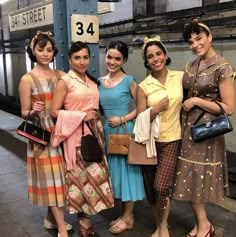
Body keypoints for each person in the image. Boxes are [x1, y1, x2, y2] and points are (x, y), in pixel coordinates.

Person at [172, 19, 235, 237]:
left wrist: (197, 102)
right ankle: (203, 224)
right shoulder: (191, 66)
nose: (195, 44)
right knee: (188, 177)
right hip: (188, 128)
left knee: (197, 177)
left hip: (207, 130)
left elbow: (228, 107)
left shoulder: (223, 67)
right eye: (191, 41)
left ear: (209, 37)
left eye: (199, 38)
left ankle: (204, 226)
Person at [50, 41, 114, 237]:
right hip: (76, 138)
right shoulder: (65, 81)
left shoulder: (92, 81)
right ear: (69, 59)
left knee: (94, 180)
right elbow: (54, 111)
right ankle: (85, 224)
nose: (82, 61)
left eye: (85, 57)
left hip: (94, 135)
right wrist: (81, 115)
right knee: (81, 181)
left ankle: (87, 221)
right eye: (77, 58)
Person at [18, 31, 71, 237]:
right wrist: (33, 110)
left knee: (61, 179)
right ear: (33, 51)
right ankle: (60, 228)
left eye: (49, 50)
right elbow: (23, 113)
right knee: (52, 180)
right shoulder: (27, 79)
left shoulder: (60, 75)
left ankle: (50, 219)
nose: (45, 53)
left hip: (61, 132)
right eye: (41, 50)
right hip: (42, 135)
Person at [136, 36, 184, 237]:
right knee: (153, 189)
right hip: (150, 144)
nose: (155, 59)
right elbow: (140, 118)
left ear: (165, 54)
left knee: (161, 186)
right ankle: (161, 226)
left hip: (172, 140)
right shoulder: (143, 86)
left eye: (158, 54)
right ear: (146, 62)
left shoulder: (180, 77)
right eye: (150, 56)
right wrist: (154, 110)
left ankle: (163, 227)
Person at [98, 40, 146, 234]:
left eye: (118, 58)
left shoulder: (129, 80)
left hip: (123, 130)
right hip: (106, 132)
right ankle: (123, 214)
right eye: (109, 57)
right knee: (113, 173)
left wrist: (123, 118)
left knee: (127, 173)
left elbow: (142, 107)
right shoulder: (99, 82)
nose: (112, 61)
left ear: (124, 60)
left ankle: (127, 217)